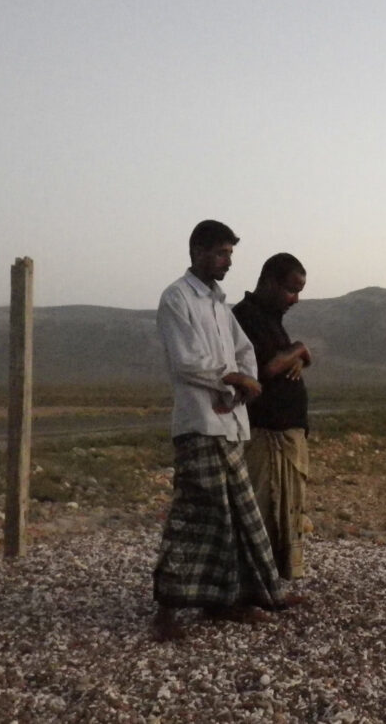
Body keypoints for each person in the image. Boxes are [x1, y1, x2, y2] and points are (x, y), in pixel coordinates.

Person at [151, 220, 297, 641]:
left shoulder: (219, 304)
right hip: (199, 422)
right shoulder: (177, 298)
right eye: (220, 253)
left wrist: (243, 384)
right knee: (194, 515)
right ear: (197, 250)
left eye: (230, 253)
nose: (227, 262)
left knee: (234, 516)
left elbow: (243, 351)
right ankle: (166, 609)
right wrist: (234, 380)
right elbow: (187, 361)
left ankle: (228, 600)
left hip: (230, 423)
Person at [233, 253, 312, 583]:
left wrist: (295, 356)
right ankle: (251, 588)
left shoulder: (271, 319)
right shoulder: (246, 316)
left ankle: (271, 585)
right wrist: (298, 349)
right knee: (261, 511)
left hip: (283, 432)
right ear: (269, 282)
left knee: (281, 513)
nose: (295, 299)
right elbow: (266, 367)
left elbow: (285, 362)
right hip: (264, 433)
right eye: (291, 290)